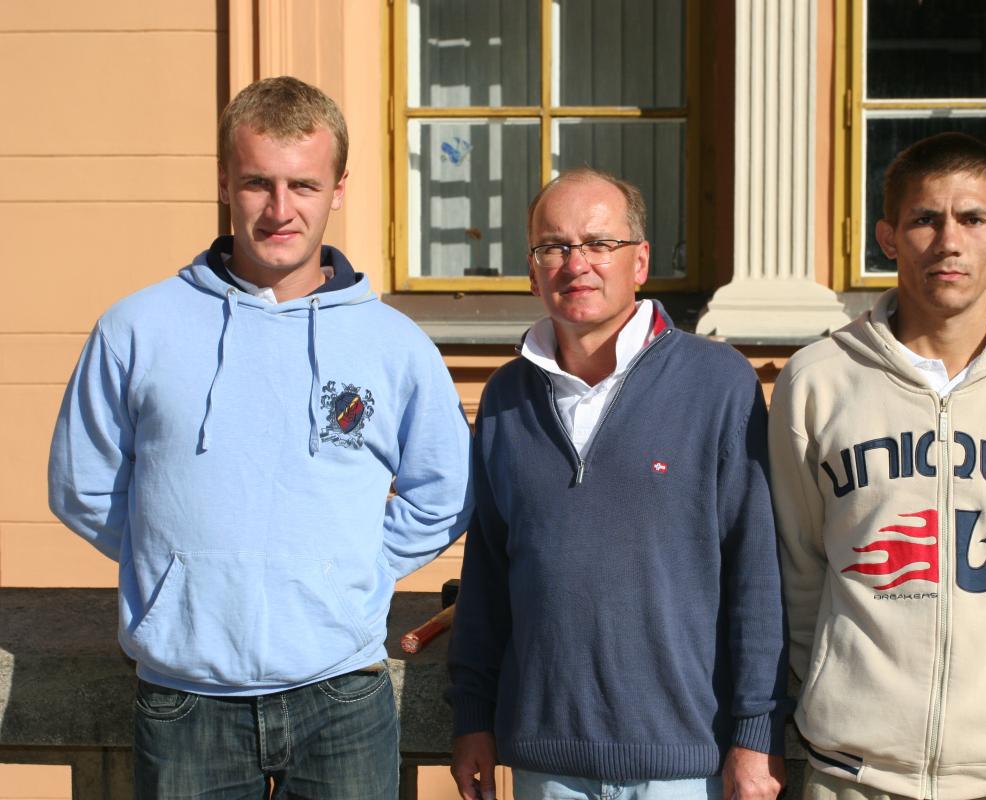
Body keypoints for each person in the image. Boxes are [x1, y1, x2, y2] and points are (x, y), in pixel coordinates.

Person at [47, 76, 473, 799]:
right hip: (185, 701)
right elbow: (81, 486)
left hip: (342, 694)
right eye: (257, 184)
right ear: (224, 183)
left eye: (304, 185)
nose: (281, 210)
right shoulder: (137, 328)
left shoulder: (394, 344)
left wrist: (348, 569)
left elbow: (445, 493)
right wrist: (178, 575)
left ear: (339, 189)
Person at [768, 132, 986, 800]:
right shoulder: (817, 381)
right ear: (888, 238)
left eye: (973, 219)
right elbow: (799, 563)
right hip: (854, 772)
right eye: (925, 219)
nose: (949, 242)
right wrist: (840, 682)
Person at [447, 168, 791, 800]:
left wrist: (756, 731)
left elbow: (756, 573)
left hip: (685, 763)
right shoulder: (505, 398)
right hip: (545, 762)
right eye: (554, 247)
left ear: (641, 262)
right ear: (532, 271)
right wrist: (472, 715)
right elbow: (488, 572)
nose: (576, 264)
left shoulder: (718, 383)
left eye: (599, 244)